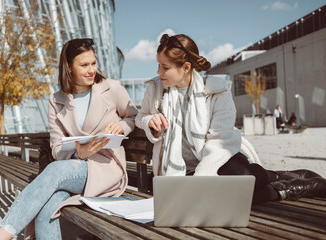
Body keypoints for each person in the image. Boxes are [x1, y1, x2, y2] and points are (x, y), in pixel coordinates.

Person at [136, 33, 326, 205]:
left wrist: (201, 180)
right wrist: (149, 121)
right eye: (158, 65)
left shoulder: (216, 91)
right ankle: (285, 187)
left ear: (186, 67)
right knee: (223, 195)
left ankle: (277, 177)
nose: (158, 72)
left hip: (216, 160)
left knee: (240, 179)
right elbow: (140, 117)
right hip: (177, 169)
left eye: (165, 67)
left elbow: (220, 143)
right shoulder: (155, 89)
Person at [0, 38, 138, 240]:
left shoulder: (111, 88)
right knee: (47, 209)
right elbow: (57, 149)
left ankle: (1, 235)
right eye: (84, 65)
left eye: (93, 63)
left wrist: (121, 126)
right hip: (73, 170)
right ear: (69, 67)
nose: (91, 70)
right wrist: (79, 152)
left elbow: (134, 116)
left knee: (55, 171)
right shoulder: (56, 100)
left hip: (105, 169)